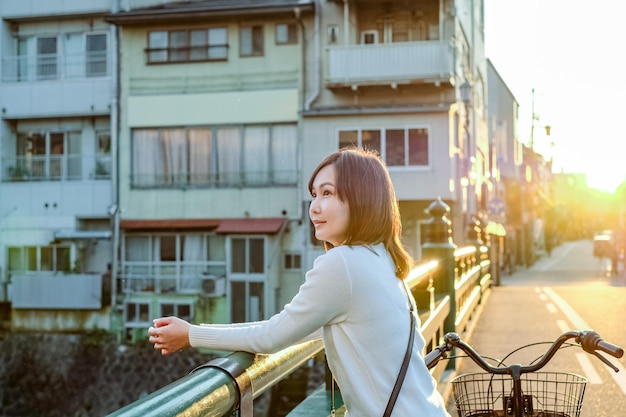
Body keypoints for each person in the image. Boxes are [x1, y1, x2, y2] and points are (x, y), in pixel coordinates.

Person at [148, 147, 450, 416]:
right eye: (314, 194)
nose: (314, 207)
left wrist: (191, 334)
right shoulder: (381, 258)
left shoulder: (343, 263)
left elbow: (273, 336)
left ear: (361, 199)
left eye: (327, 193)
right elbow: (297, 329)